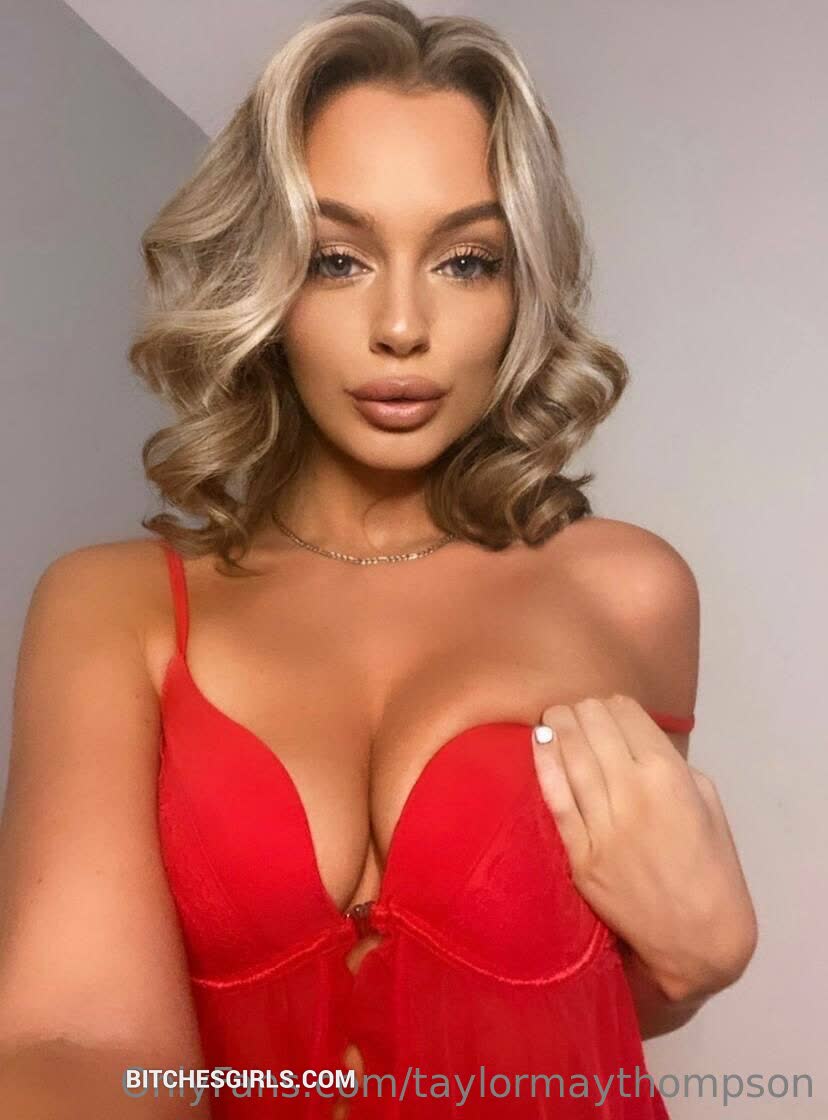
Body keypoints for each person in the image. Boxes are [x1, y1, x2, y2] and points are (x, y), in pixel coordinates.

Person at [0, 1, 757, 1116]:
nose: (401, 325)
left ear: (522, 288)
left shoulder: (631, 592)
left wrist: (699, 963)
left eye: (465, 260)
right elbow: (74, 1040)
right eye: (338, 258)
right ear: (264, 278)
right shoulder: (111, 608)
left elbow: (578, 990)